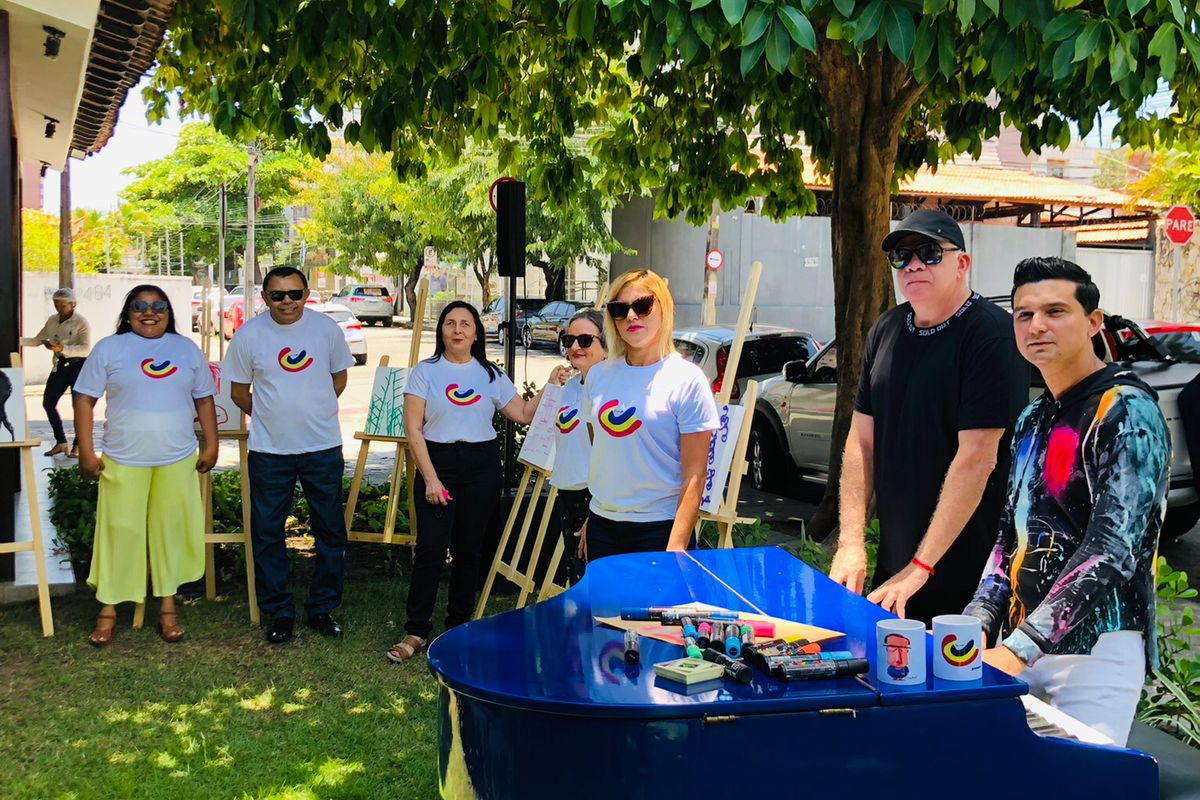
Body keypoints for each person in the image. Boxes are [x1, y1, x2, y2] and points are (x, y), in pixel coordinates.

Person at [964, 258, 1169, 747]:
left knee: (1083, 785)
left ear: (1093, 322)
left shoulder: (1127, 410)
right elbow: (1009, 538)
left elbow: (1111, 549)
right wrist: (973, 625)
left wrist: (1019, 646)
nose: (1036, 325)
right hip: (1019, 648)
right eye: (1023, 314)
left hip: (1095, 653)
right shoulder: (1034, 417)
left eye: (1055, 311)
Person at [829, 209, 1029, 624]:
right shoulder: (885, 329)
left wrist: (920, 567)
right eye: (902, 256)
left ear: (963, 263)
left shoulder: (991, 335)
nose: (914, 264)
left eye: (930, 252)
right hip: (897, 575)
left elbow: (977, 459)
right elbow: (861, 440)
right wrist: (851, 541)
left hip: (972, 586)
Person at [388, 301, 562, 662]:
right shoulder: (424, 372)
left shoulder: (489, 374)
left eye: (465, 324)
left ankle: (457, 625)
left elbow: (524, 413)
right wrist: (431, 479)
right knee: (431, 550)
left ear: (476, 332)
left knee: (470, 550)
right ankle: (417, 629)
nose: (457, 330)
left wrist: (548, 385)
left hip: (482, 464)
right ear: (441, 331)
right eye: (450, 323)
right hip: (438, 462)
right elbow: (413, 429)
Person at [72, 285, 218, 646]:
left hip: (177, 458)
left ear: (169, 312)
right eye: (140, 305)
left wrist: (212, 444)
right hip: (123, 460)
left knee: (170, 534)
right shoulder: (110, 348)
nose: (149, 312)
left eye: (158, 306)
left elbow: (204, 400)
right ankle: (107, 611)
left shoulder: (186, 349)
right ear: (128, 312)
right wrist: (87, 452)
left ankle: (168, 610)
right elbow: (83, 400)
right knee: (120, 533)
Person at [224, 266, 355, 644]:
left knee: (329, 530)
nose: (287, 302)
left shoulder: (326, 330)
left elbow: (339, 378)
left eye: (294, 294)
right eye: (278, 295)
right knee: (267, 533)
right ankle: (279, 612)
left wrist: (313, 409)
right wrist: (269, 414)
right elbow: (238, 392)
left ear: (306, 294)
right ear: (264, 297)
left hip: (322, 448)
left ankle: (322, 608)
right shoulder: (249, 336)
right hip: (270, 451)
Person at [578, 269, 719, 561]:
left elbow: (695, 474)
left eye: (642, 305)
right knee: (604, 609)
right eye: (619, 309)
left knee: (655, 610)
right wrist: (597, 513)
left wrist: (677, 547)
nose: (631, 316)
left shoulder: (686, 379)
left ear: (664, 308)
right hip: (603, 526)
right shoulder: (597, 377)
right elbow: (604, 454)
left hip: (660, 528)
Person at [549, 309, 607, 585]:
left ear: (606, 346)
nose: (574, 347)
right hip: (568, 494)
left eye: (585, 340)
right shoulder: (570, 386)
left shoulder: (610, 388)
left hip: (595, 497)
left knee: (595, 587)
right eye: (568, 339)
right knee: (576, 581)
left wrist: (597, 509)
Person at [21, 287, 91, 457]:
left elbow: (86, 348)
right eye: (56, 305)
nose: (59, 309)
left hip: (78, 366)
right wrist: (14, 340)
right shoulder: (52, 320)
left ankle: (78, 444)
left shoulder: (81, 322)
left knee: (79, 406)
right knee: (48, 402)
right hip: (60, 365)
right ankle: (61, 442)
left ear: (73, 304)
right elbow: (37, 340)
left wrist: (64, 348)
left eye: (63, 306)